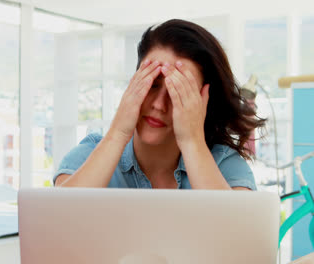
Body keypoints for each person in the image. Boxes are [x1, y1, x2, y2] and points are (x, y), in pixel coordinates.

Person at [53, 19, 266, 190]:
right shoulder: (88, 155)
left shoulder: (225, 166)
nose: (158, 105)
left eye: (178, 92)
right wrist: (117, 133)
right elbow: (57, 225)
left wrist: (192, 142)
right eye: (152, 84)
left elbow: (233, 237)